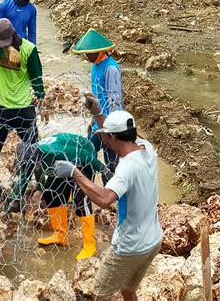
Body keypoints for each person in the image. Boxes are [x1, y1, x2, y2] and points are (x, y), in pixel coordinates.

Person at [53, 94, 162, 300]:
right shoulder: (146, 147)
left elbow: (104, 199)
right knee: (128, 290)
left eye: (106, 135)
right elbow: (113, 136)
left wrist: (75, 172)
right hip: (153, 241)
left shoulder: (127, 168)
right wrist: (98, 114)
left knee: (100, 294)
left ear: (112, 137)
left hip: (130, 247)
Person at [10, 133, 111, 260]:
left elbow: (87, 156)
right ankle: (60, 235)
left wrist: (104, 170)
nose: (30, 167)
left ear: (37, 158)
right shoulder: (29, 156)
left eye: (33, 165)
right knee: (50, 194)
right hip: (60, 167)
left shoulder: (56, 152)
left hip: (82, 158)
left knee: (80, 200)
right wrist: (15, 199)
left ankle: (90, 244)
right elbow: (26, 177)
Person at [0, 18, 45, 196]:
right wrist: (3, 45)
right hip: (3, 108)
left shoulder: (29, 49)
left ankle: (40, 185)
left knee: (33, 149)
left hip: (19, 108)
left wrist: (41, 99)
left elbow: (37, 77)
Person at [72, 28, 123, 174]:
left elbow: (115, 100)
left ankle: (111, 193)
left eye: (90, 53)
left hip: (109, 124)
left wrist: (113, 129)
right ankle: (90, 191)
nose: (88, 56)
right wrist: (93, 119)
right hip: (98, 122)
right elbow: (97, 95)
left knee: (111, 163)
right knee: (86, 157)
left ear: (100, 51)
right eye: (86, 53)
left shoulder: (110, 68)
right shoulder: (95, 66)